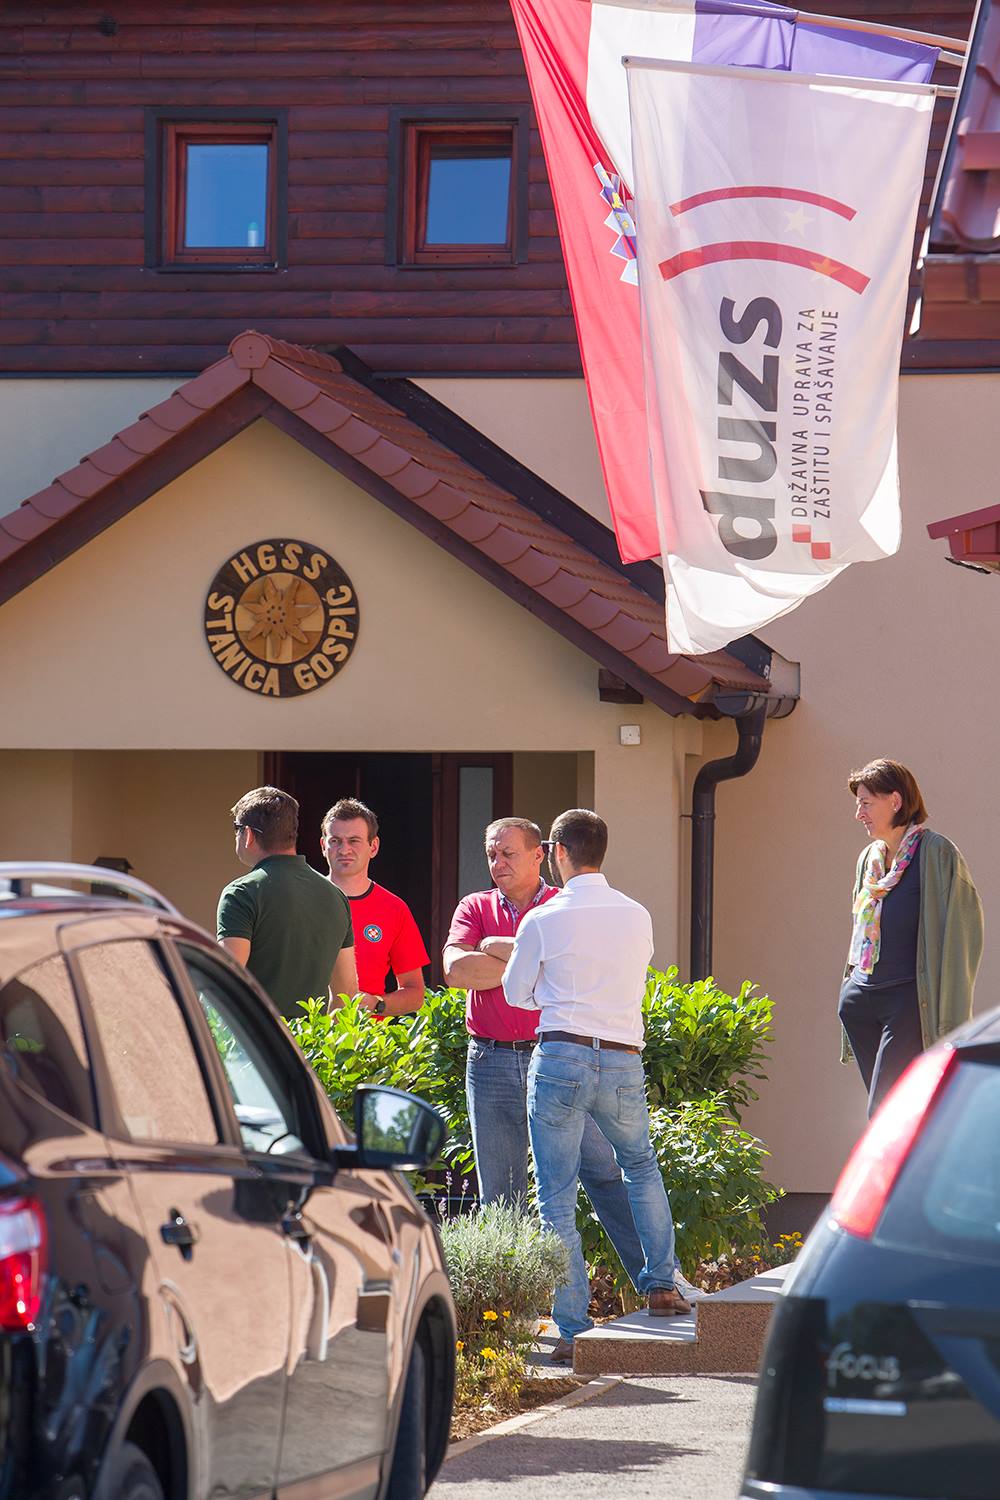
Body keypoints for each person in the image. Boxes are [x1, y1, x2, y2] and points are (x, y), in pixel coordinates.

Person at [443, 815, 654, 1360]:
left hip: (555, 1059)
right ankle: (511, 1322)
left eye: (508, 853)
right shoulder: (474, 906)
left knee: (603, 1174)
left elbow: (521, 976)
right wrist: (526, 955)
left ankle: (656, 1283)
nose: (497, 863)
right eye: (491, 854)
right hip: (490, 1060)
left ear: (542, 854)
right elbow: (457, 972)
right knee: (501, 1194)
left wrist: (498, 949)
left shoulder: (565, 904)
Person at [502, 808, 689, 1355]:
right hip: (623, 1057)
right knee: (640, 1166)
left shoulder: (543, 918)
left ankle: (573, 1326)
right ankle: (662, 1284)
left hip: (562, 1054)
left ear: (558, 852)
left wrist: (550, 996)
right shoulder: (637, 914)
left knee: (555, 1194)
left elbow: (515, 993)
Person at [839, 758, 984, 1117]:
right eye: (858, 804)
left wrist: (951, 1021)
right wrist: (849, 989)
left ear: (895, 800)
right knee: (898, 1112)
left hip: (905, 1005)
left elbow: (963, 936)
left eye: (866, 803)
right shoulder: (869, 860)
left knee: (885, 1113)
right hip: (861, 1003)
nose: (859, 814)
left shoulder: (936, 854)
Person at [218, 786, 358, 1020]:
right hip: (312, 1040)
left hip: (258, 1040)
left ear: (248, 834)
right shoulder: (335, 896)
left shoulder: (241, 893)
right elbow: (346, 992)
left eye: (237, 829)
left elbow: (225, 981)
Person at [321, 797, 429, 1016]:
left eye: (354, 841)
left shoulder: (394, 909)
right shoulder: (302, 900)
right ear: (323, 846)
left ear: (374, 846)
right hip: (303, 1033)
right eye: (335, 841)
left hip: (366, 1034)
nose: (344, 849)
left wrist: (377, 1005)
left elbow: (415, 993)